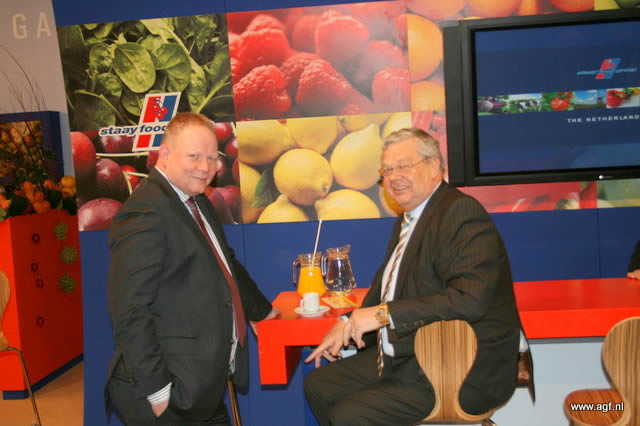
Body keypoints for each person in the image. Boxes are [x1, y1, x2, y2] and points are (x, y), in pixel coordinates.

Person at [304, 128, 522, 425]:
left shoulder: (460, 212)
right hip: (411, 356)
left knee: (350, 416)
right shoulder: (410, 218)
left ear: (434, 167)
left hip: (457, 368)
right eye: (387, 170)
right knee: (319, 385)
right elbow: (387, 282)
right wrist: (347, 321)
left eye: (404, 166)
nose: (394, 177)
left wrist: (380, 315)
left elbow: (469, 299)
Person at [105, 112, 278, 425]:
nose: (205, 167)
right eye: (194, 156)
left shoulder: (196, 200)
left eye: (212, 158)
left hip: (198, 384)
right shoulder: (145, 210)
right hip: (165, 389)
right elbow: (129, 310)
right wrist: (160, 393)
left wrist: (263, 312)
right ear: (165, 153)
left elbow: (225, 263)